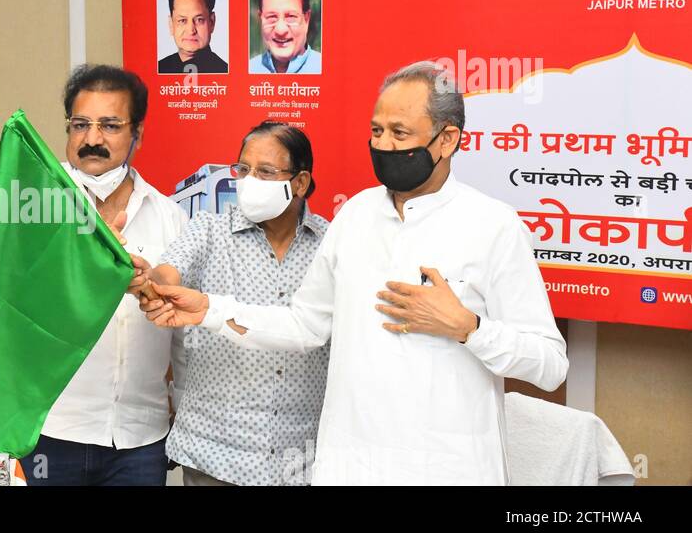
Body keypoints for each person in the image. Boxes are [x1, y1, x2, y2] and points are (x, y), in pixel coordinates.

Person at [141, 61, 569, 485]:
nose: (383, 144)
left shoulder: (494, 225)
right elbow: (304, 325)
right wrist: (209, 309)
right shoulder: (356, 216)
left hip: (448, 469)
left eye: (399, 133)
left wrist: (468, 328)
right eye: (377, 130)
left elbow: (550, 365)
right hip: (350, 468)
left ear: (447, 139)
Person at [127, 121, 329, 486]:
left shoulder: (330, 244)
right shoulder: (208, 230)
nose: (249, 181)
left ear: (299, 182)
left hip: (301, 462)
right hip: (215, 458)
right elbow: (168, 274)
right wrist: (147, 280)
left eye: (265, 172)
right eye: (243, 169)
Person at [20, 64, 187, 486]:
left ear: (138, 134)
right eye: (80, 125)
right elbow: (9, 310)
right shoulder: (32, 208)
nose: (92, 139)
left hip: (141, 437)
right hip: (51, 427)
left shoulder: (171, 218)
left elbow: (186, 335)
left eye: (110, 125)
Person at [249, 0, 322, 75]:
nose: (281, 30)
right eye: (271, 17)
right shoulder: (249, 69)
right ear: (260, 18)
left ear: (306, 19)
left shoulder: (325, 68)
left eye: (291, 16)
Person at [158, 0, 229, 75]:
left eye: (199, 20)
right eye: (182, 20)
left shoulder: (223, 71)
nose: (191, 30)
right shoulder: (160, 68)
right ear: (171, 25)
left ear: (212, 22)